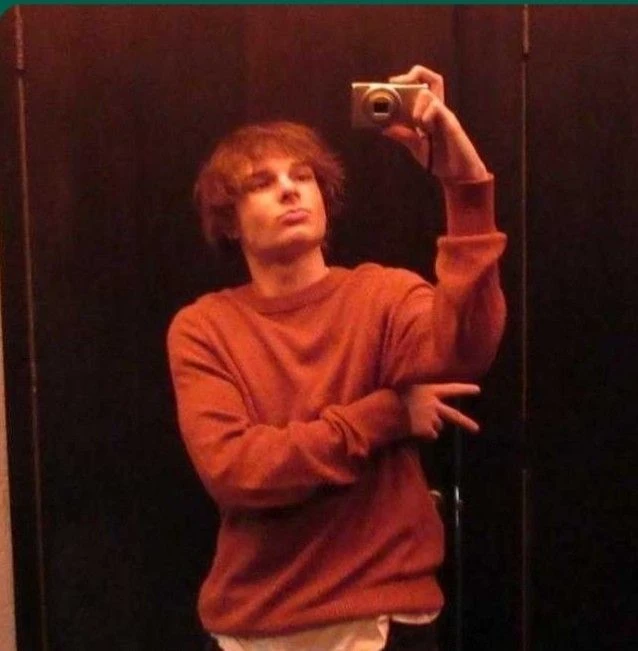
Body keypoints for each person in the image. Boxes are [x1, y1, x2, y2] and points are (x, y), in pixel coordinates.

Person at [167, 64, 507, 651]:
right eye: (261, 182)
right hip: (253, 626)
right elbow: (238, 472)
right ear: (230, 222)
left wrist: (464, 183)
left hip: (384, 613)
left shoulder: (382, 295)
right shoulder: (205, 327)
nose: (289, 189)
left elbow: (467, 347)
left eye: (303, 177)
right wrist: (388, 414)